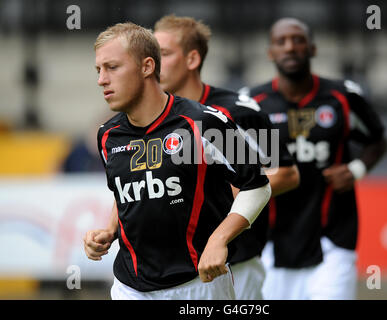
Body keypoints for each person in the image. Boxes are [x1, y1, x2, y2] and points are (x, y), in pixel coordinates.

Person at [83, 22, 272, 300]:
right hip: (129, 288)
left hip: (199, 284)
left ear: (147, 67)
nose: (101, 79)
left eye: (112, 67)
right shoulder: (108, 136)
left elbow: (257, 185)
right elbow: (129, 193)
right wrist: (108, 232)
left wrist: (219, 239)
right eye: (99, 70)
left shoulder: (205, 123)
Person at [153, 15, 300, 300]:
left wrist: (233, 190)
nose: (155, 64)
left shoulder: (237, 110)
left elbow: (286, 173)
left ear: (192, 59)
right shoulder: (157, 117)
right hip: (177, 269)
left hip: (236, 261)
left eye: (165, 54)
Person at [244, 18, 387, 300]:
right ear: (270, 52)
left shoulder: (343, 96)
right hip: (271, 244)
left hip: (333, 238)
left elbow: (378, 140)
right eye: (281, 42)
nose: (290, 47)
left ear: (312, 49)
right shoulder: (251, 103)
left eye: (298, 40)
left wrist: (357, 168)